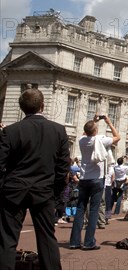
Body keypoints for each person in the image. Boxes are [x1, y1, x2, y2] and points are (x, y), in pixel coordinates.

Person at [0, 88, 70, 269]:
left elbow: (0, 165)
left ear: (22, 108)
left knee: (7, 238)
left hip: (14, 189)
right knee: (47, 237)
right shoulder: (58, 131)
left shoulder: (10, 131)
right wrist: (55, 193)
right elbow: (63, 168)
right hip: (44, 190)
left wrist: (3, 188)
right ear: (42, 105)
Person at [69, 114, 120, 250]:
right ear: (96, 131)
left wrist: (93, 121)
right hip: (97, 178)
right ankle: (88, 242)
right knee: (93, 210)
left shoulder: (81, 140)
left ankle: (74, 241)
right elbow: (117, 137)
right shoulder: (100, 140)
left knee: (80, 208)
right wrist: (109, 122)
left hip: (84, 178)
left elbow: (85, 132)